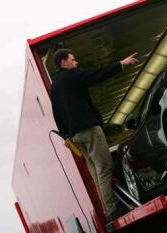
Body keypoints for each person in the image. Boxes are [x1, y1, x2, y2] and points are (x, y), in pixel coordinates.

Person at [50, 48, 139, 222]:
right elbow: (96, 75)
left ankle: (106, 210)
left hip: (75, 136)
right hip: (89, 130)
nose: (77, 63)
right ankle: (111, 210)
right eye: (73, 60)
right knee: (104, 168)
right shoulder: (71, 75)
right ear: (63, 63)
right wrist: (121, 64)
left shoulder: (55, 86)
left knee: (96, 172)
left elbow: (57, 113)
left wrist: (66, 135)